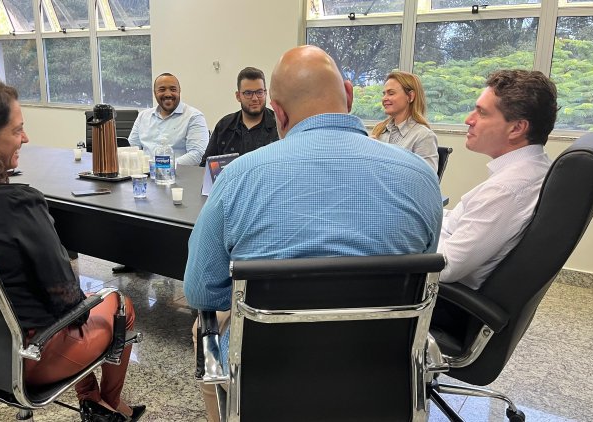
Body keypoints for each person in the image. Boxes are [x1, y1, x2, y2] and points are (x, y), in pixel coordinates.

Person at [183, 46, 443, 422]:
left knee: (203, 327)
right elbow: (422, 272)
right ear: (349, 95)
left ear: (279, 112)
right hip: (381, 372)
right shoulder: (420, 177)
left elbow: (201, 289)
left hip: (266, 375)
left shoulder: (238, 176)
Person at [0, 75, 145, 422]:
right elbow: (70, 302)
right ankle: (108, 407)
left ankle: (93, 400)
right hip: (28, 357)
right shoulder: (18, 206)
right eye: (17, 130)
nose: (26, 138)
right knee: (120, 305)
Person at [437, 69, 558, 290]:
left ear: (517, 128)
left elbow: (446, 267)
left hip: (442, 298)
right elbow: (463, 222)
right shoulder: (533, 168)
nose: (468, 120)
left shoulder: (506, 191)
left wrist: (408, 233)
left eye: (482, 113)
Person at [199, 67, 278, 166]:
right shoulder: (224, 126)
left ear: (266, 93)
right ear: (238, 96)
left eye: (259, 92)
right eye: (248, 93)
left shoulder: (279, 125)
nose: (255, 98)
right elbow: (206, 165)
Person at [128, 72, 208, 166]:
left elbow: (197, 155)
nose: (168, 94)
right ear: (155, 93)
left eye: (173, 89)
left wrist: (162, 166)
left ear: (179, 91)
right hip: (145, 175)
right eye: (162, 90)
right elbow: (131, 149)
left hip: (179, 176)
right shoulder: (143, 116)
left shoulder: (194, 117)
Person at [370, 71, 439, 172]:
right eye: (384, 94)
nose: (384, 98)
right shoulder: (379, 131)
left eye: (391, 93)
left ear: (410, 96)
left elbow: (427, 182)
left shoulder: (423, 136)